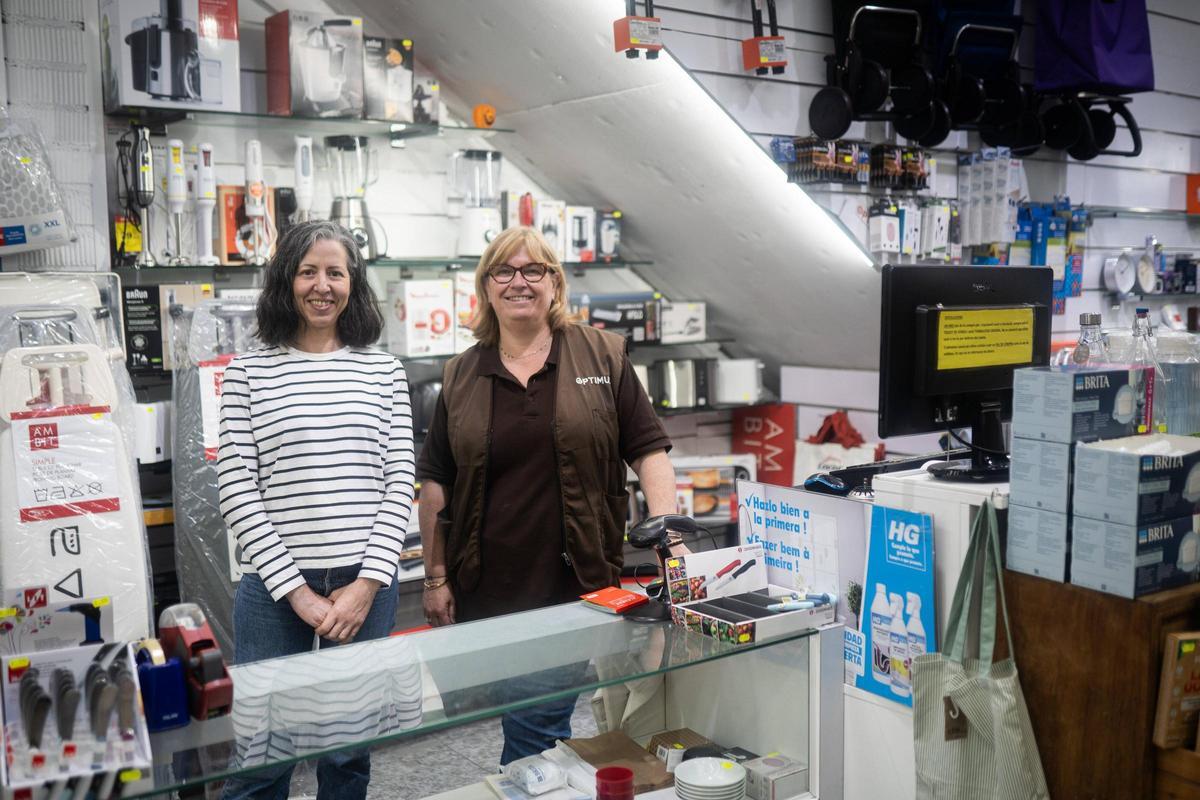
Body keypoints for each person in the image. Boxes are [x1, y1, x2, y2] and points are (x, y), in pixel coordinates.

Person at [416, 225, 677, 764]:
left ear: (554, 284)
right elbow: (437, 479)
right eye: (504, 272)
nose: (520, 282)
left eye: (533, 270)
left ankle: (529, 778)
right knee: (523, 716)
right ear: (486, 288)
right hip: (486, 583)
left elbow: (649, 451)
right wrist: (436, 576)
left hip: (573, 579)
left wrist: (667, 535)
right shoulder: (462, 374)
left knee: (536, 725)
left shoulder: (601, 356)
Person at [217, 220, 415, 800]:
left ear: (353, 282)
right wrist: (297, 593)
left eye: (335, 272)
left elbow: (398, 480)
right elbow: (236, 487)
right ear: (287, 280)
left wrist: (367, 585)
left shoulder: (382, 371)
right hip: (274, 594)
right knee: (260, 755)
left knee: (348, 751)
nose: (321, 285)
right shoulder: (248, 371)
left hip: (364, 588)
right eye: (308, 271)